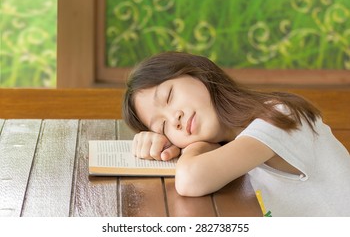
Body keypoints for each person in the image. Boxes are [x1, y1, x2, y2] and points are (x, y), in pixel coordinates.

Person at [122, 51, 350, 217]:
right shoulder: (235, 143)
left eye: (169, 96)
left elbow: (190, 179)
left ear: (196, 73)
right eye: (163, 127)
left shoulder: (278, 116)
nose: (175, 119)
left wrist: (195, 146)